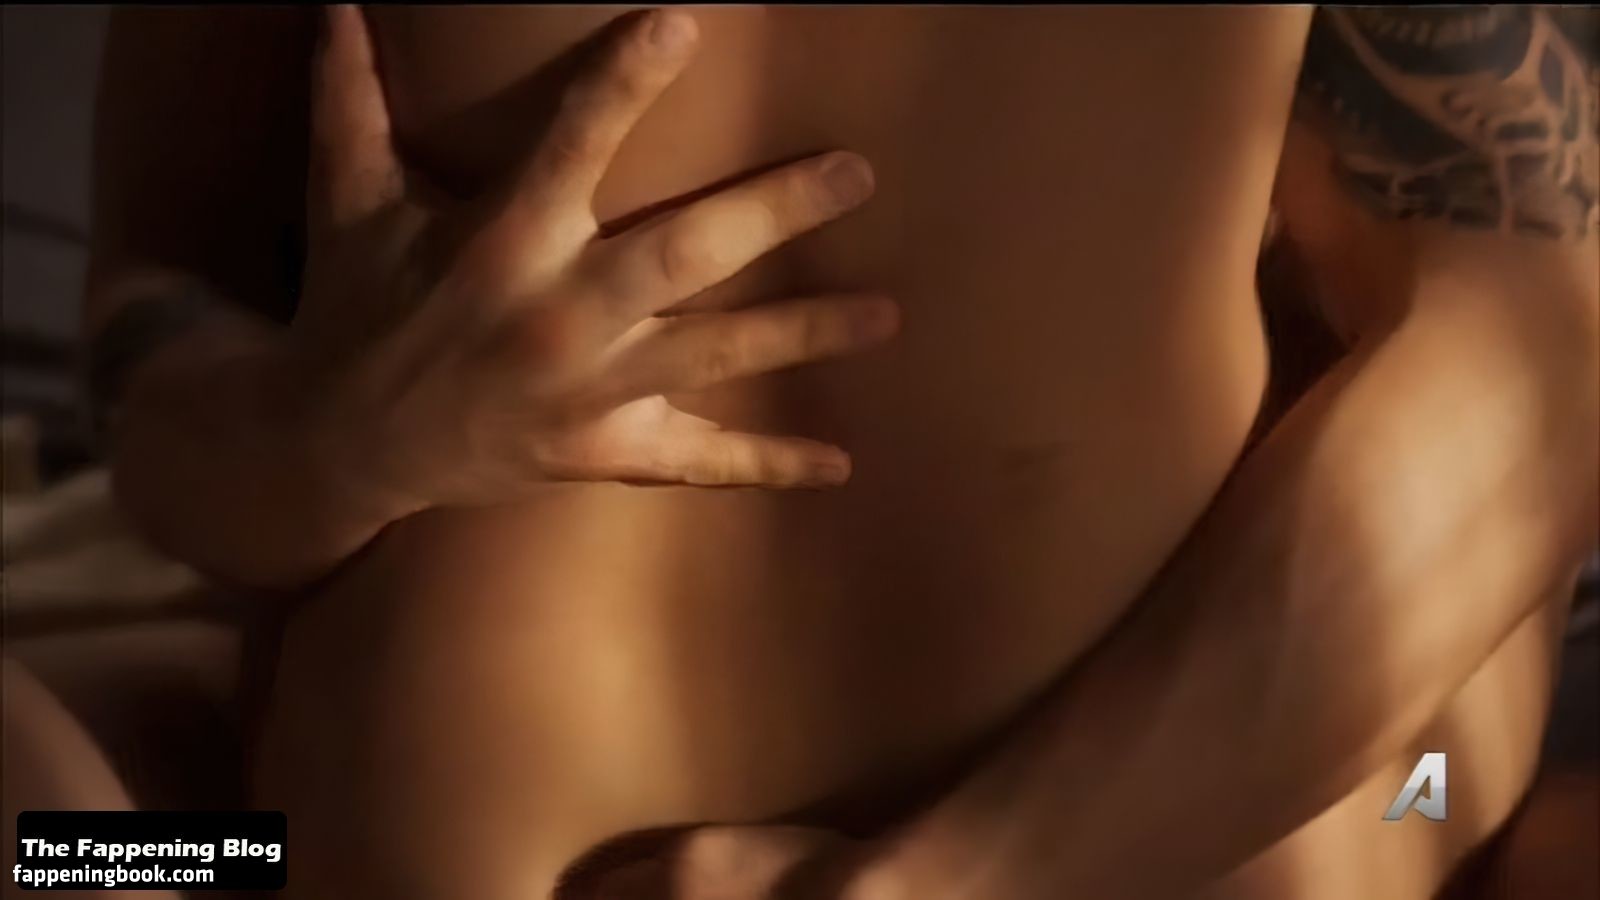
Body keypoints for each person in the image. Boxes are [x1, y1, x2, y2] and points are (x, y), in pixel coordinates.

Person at [84, 6, 1595, 899]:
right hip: (1168, 858)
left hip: (324, 857)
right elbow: (1543, 366)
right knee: (1442, 742)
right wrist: (335, 441)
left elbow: (157, 352)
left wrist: (312, 442)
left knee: (73, 837)